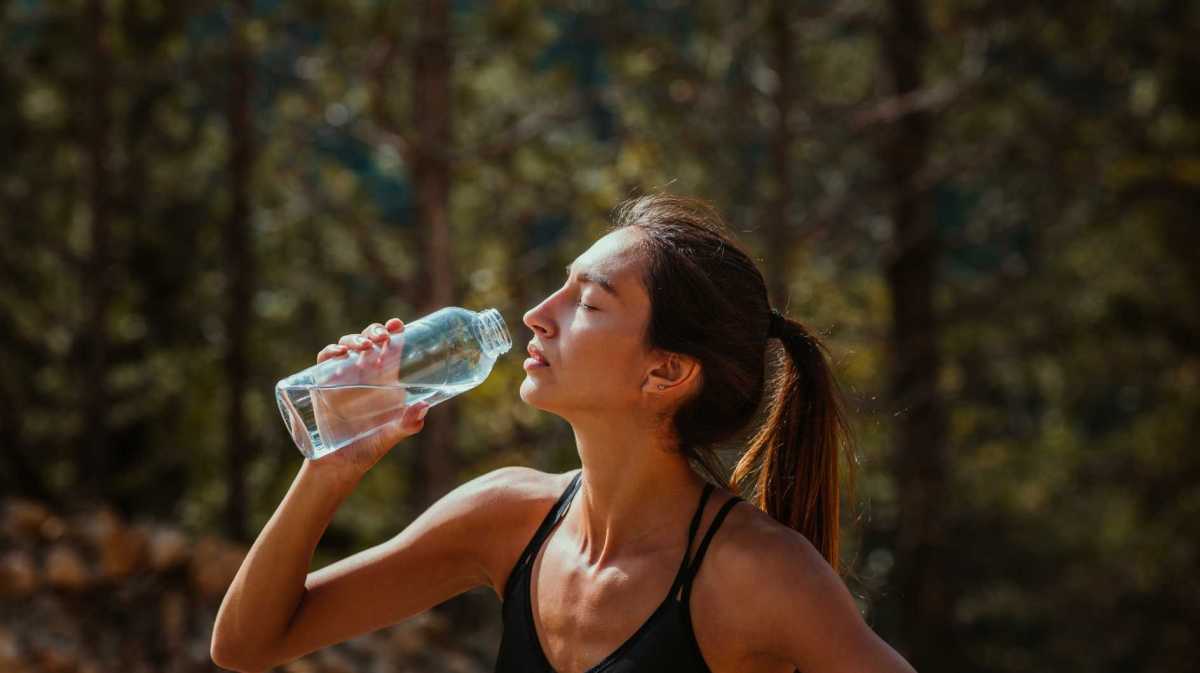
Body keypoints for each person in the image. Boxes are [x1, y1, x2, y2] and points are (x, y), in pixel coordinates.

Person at [211, 193, 918, 673]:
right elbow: (247, 643)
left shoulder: (754, 572)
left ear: (665, 370)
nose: (538, 315)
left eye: (586, 300)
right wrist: (334, 462)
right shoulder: (505, 519)